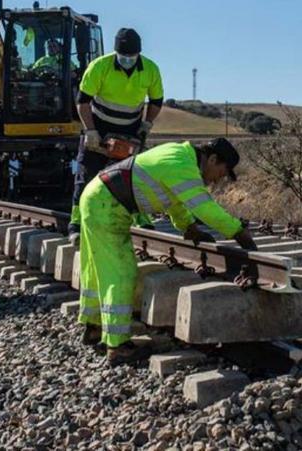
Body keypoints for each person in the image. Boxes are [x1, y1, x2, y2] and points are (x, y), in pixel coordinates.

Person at [77, 137, 258, 364]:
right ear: (212, 159)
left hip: (99, 198)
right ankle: (117, 345)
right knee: (121, 273)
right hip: (105, 205)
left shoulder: (179, 158)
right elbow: (205, 208)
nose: (218, 180)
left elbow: (174, 201)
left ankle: (93, 327)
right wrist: (239, 233)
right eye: (221, 172)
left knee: (98, 269)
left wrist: (189, 228)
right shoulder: (182, 164)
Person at [68, 28, 163, 240]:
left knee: (134, 176)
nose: (127, 60)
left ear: (138, 53)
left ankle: (141, 218)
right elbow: (82, 101)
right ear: (116, 52)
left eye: (132, 57)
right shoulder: (100, 66)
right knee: (86, 174)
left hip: (130, 130)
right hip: (98, 127)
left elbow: (156, 101)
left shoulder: (150, 69)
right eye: (123, 57)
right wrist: (90, 130)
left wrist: (147, 123)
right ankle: (76, 222)